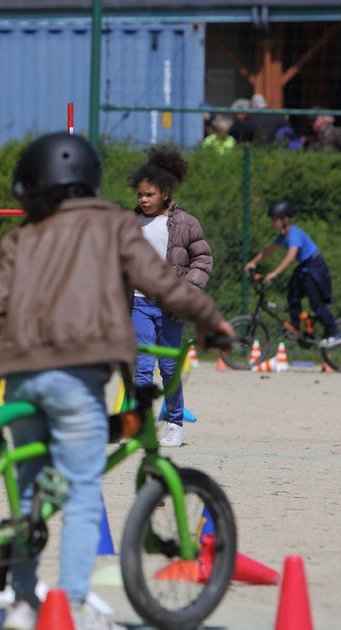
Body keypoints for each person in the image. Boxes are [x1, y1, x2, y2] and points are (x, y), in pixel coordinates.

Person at [0, 132, 233, 630]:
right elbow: (159, 281)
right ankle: (71, 604)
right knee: (83, 488)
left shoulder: (21, 236)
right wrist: (209, 317)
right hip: (76, 377)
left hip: (19, 380)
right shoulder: (114, 225)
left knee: (27, 492)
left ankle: (23, 604)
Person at [128, 146, 212, 448]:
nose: (143, 200)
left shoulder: (185, 223)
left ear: (165, 192)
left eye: (148, 194)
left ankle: (175, 422)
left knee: (169, 368)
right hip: (138, 303)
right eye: (139, 194)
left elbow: (202, 260)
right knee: (142, 366)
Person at [244, 200, 341, 348]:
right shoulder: (283, 234)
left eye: (275, 220)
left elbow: (291, 257)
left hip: (315, 267)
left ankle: (336, 334)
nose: (273, 224)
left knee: (315, 303)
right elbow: (269, 250)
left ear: (285, 220)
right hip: (304, 266)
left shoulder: (294, 234)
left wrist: (274, 273)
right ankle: (297, 326)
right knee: (292, 294)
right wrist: (253, 262)